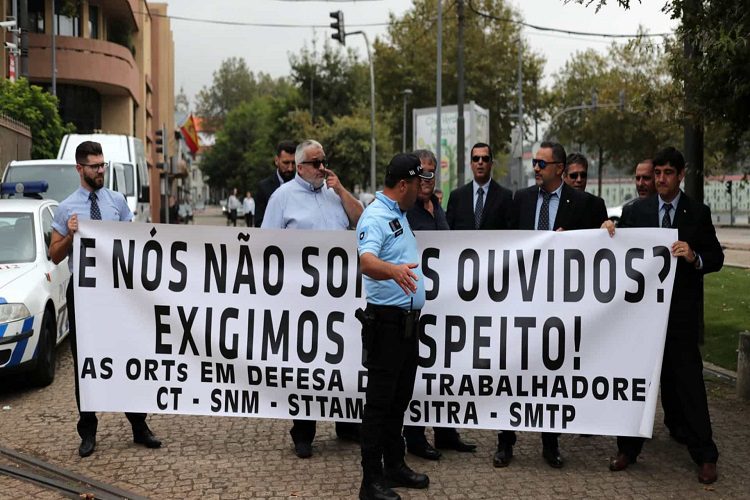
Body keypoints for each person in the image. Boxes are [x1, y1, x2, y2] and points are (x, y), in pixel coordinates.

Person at [604, 147, 722, 485]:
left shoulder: (697, 213)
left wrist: (694, 256)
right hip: (641, 320)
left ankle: (705, 455)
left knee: (689, 387)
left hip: (680, 319)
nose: (660, 179)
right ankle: (628, 449)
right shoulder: (637, 210)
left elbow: (715, 257)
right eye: (657, 173)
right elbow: (617, 246)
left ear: (681, 175)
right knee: (637, 385)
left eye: (668, 173)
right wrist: (608, 228)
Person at [49, 141, 162, 458]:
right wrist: (71, 236)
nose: (101, 171)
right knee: (86, 360)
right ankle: (88, 430)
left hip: (117, 293)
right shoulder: (66, 207)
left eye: (103, 165)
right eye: (95, 166)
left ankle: (139, 426)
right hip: (84, 295)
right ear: (79, 169)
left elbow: (132, 240)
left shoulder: (117, 202)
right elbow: (54, 255)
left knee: (128, 355)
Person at [499, 141, 606, 470]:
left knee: (551, 372)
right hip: (523, 299)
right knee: (513, 369)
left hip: (561, 304)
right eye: (535, 164)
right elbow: (505, 241)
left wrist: (605, 230)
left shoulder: (586, 204)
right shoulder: (522, 199)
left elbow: (604, 246)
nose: (536, 169)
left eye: (542, 164)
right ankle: (506, 441)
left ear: (559, 168)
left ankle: (550, 443)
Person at [261, 139, 363, 458]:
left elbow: (360, 220)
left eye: (324, 161)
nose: (322, 167)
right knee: (307, 365)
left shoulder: (334, 193)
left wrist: (342, 189)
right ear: (301, 167)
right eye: (316, 163)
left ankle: (346, 423)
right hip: (301, 299)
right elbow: (266, 245)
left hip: (339, 297)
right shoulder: (282, 198)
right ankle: (303, 431)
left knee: (340, 360)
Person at [356, 153, 433, 500]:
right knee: (378, 405)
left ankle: (393, 465)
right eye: (417, 184)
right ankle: (370, 482)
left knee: (398, 401)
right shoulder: (375, 216)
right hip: (386, 325)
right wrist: (394, 271)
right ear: (403, 185)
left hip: (406, 326)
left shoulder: (399, 213)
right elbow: (366, 261)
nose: (421, 190)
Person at [402, 149, 475, 461]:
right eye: (422, 173)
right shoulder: (406, 213)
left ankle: (446, 432)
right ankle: (415, 436)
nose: (427, 178)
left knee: (444, 367)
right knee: (418, 370)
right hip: (417, 304)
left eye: (431, 172)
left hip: (445, 304)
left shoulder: (438, 208)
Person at [446, 142, 513, 230]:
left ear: (491, 164)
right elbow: (448, 232)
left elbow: (510, 234)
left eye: (485, 159)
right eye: (476, 158)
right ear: (471, 164)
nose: (480, 162)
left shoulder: (504, 197)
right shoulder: (457, 197)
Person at [254, 140, 297, 227]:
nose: (290, 168)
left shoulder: (303, 186)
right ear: (277, 160)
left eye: (293, 163)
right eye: (286, 163)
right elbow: (259, 223)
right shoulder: (264, 188)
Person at [563, 152, 608, 230]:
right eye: (574, 176)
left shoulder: (597, 205)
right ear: (564, 176)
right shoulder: (556, 204)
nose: (579, 180)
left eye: (583, 175)